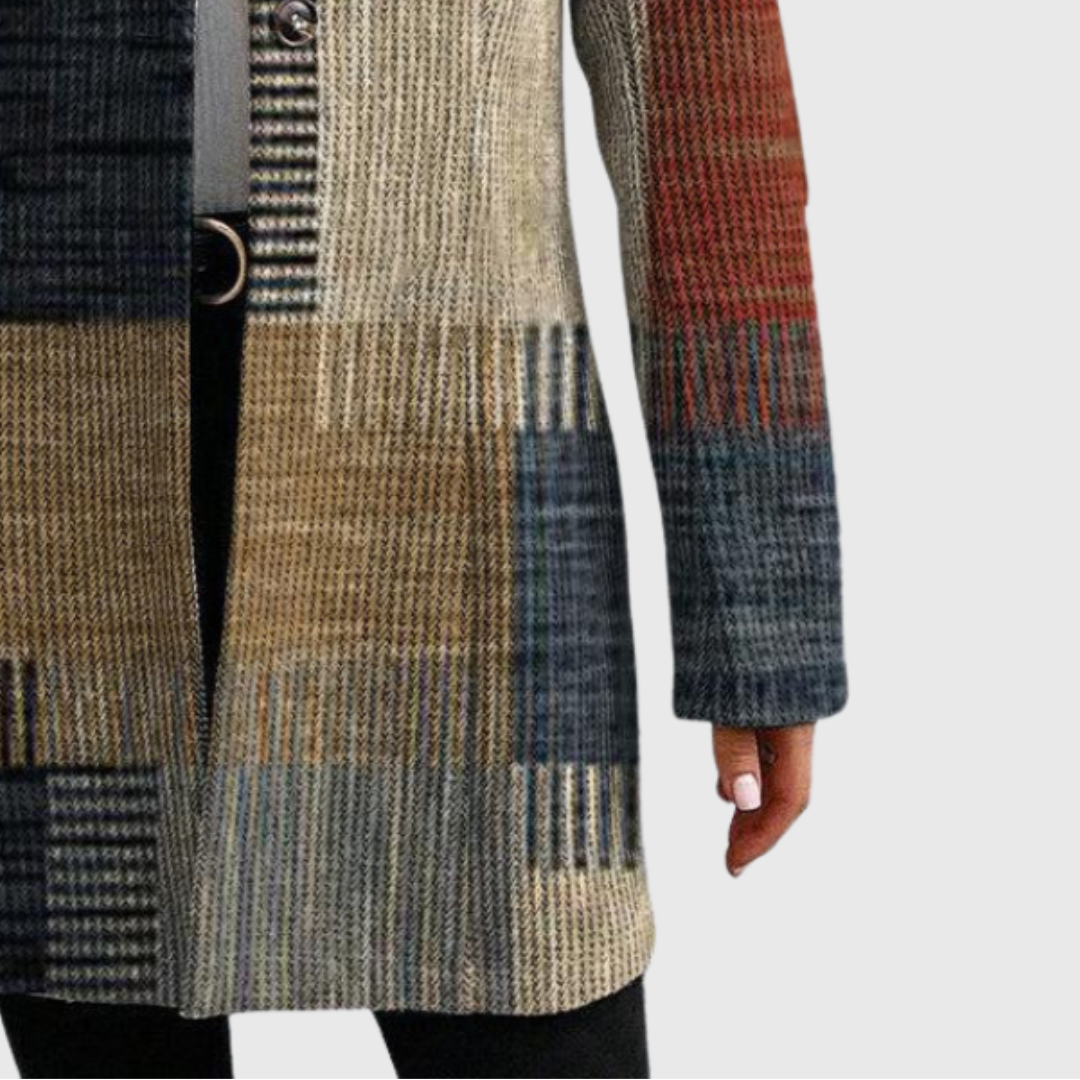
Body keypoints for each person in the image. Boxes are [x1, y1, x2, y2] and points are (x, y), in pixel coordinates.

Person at [0, 0, 845, 1076]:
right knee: (91, 1005)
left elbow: (704, 128)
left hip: (464, 481)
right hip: (54, 465)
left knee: (538, 990)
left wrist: (760, 614)